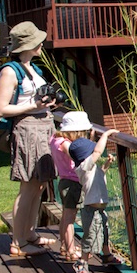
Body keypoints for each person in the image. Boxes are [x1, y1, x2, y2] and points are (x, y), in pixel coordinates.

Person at [0, 22, 59, 257]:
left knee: (40, 184)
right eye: (38, 40)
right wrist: (34, 105)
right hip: (28, 130)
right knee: (28, 186)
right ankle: (18, 242)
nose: (42, 43)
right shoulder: (11, 71)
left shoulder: (33, 68)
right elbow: (0, 109)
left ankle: (29, 233)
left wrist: (50, 104)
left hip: (44, 128)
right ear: (29, 44)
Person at [68, 128, 120, 273]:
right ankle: (82, 262)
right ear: (86, 156)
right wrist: (105, 135)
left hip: (99, 209)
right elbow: (97, 152)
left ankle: (107, 255)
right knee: (90, 237)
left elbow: (100, 173)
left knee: (105, 232)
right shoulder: (83, 167)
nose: (95, 153)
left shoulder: (90, 168)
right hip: (91, 210)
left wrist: (107, 163)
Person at [50, 111, 90, 262]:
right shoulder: (66, 144)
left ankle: (64, 246)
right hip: (73, 182)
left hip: (64, 180)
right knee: (70, 218)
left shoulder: (55, 140)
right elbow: (77, 157)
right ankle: (71, 251)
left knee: (66, 215)